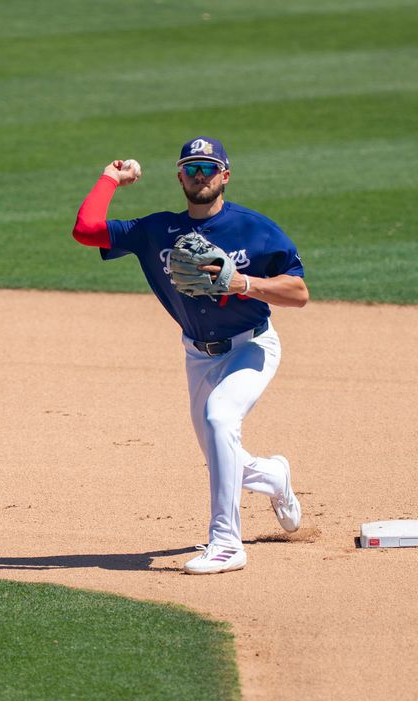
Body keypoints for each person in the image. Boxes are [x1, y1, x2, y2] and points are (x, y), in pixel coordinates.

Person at [71, 135, 308, 575]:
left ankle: (226, 543)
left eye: (209, 168)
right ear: (180, 175)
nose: (201, 176)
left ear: (226, 175)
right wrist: (110, 178)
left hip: (252, 345)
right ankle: (274, 477)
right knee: (220, 449)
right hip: (198, 356)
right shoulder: (156, 230)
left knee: (221, 419)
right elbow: (86, 230)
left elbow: (298, 293)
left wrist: (244, 284)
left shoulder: (255, 229)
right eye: (192, 168)